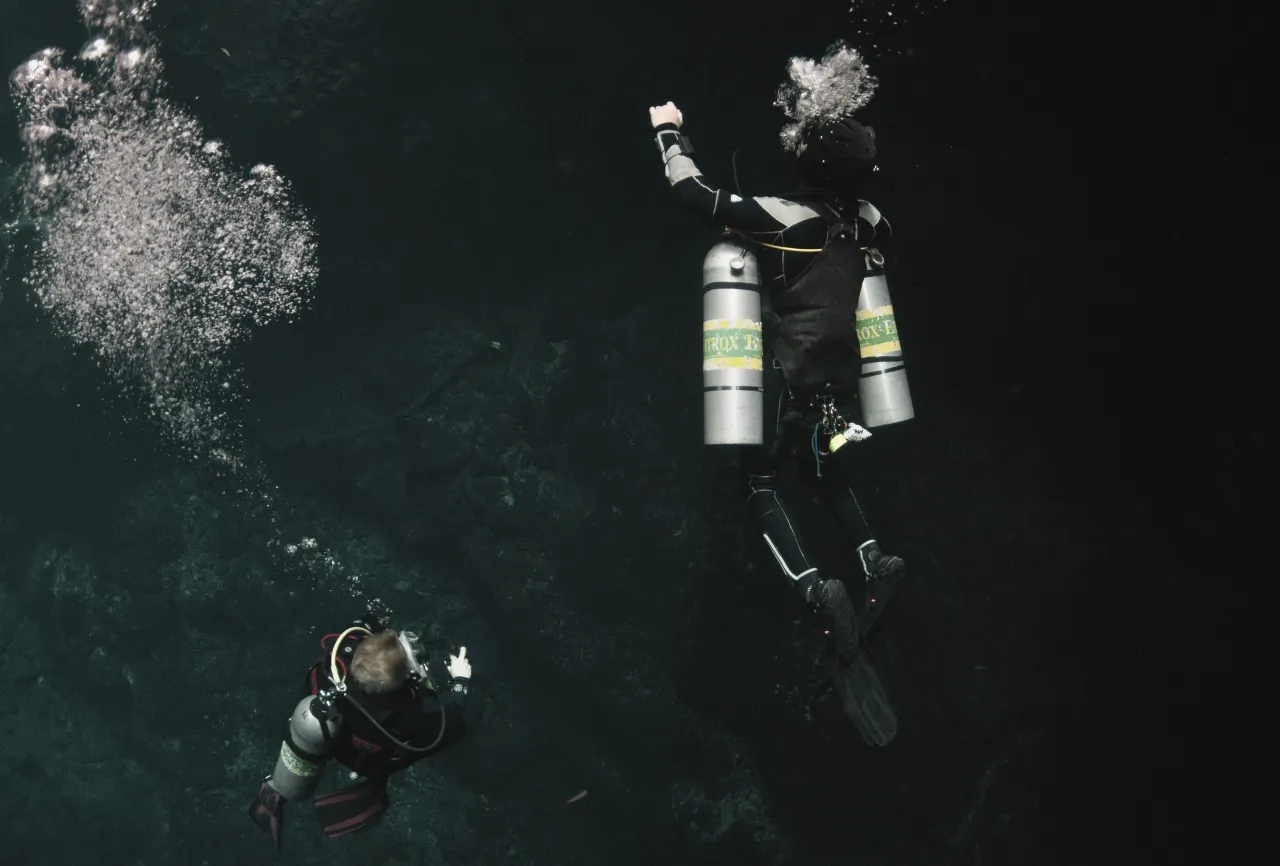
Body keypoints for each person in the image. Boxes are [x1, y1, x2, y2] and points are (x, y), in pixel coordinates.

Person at [647, 48, 908, 746]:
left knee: (759, 483)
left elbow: (695, 196)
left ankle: (817, 589)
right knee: (825, 472)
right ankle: (873, 557)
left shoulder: (787, 218)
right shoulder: (871, 221)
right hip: (838, 383)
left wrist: (670, 133)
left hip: (781, 380)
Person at [247, 617, 473, 847]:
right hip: (358, 757)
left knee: (311, 741)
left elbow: (366, 623)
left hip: (323, 730)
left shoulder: (337, 657)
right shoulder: (404, 717)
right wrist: (460, 681)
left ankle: (275, 794)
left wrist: (379, 626)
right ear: (397, 685)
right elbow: (447, 726)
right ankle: (374, 791)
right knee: (450, 734)